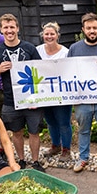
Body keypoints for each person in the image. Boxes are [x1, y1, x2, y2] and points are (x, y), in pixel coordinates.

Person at [0, 13, 46, 172]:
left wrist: (37, 99)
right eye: (5, 28)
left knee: (34, 132)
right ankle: (21, 160)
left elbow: (41, 72)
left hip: (31, 99)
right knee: (16, 132)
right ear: (1, 30)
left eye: (12, 27)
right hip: (10, 100)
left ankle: (35, 161)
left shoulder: (29, 48)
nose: (9, 30)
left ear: (17, 28)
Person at [67, 12, 97, 173]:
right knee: (83, 130)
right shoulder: (74, 49)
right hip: (82, 99)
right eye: (88, 28)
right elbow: (67, 72)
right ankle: (83, 158)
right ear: (83, 30)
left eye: (94, 28)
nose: (92, 31)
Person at [36, 22, 72, 162]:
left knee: (63, 122)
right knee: (50, 121)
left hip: (62, 93)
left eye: (52, 34)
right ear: (43, 35)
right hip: (44, 93)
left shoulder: (66, 52)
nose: (49, 36)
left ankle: (66, 149)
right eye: (47, 34)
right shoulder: (37, 50)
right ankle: (55, 145)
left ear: (58, 35)